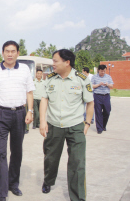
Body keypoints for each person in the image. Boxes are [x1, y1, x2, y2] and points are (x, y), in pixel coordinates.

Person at [0, 40, 35, 201]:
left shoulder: (24, 69)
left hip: (19, 114)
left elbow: (30, 92)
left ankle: (13, 184)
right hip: (1, 115)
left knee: (17, 151)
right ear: (2, 53)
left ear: (18, 53)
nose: (10, 54)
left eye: (13, 51)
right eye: (7, 51)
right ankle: (2, 192)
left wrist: (30, 111)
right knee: (0, 153)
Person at [39, 49, 94, 201]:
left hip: (75, 126)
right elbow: (44, 99)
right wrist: (43, 121)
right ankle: (48, 181)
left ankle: (77, 198)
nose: (53, 64)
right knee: (51, 158)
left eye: (55, 61)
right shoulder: (50, 79)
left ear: (67, 62)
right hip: (54, 125)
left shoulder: (81, 79)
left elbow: (90, 103)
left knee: (77, 163)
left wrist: (87, 123)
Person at [91, 65, 114, 134]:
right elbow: (91, 86)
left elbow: (112, 86)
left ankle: (103, 125)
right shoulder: (94, 77)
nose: (103, 72)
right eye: (101, 71)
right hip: (97, 96)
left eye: (104, 71)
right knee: (98, 112)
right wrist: (98, 84)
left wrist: (107, 84)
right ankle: (99, 128)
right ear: (99, 70)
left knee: (107, 111)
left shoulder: (108, 77)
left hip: (106, 96)